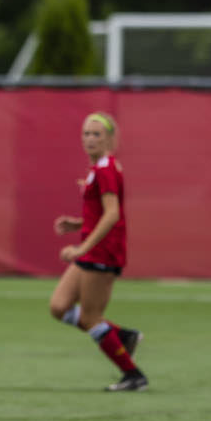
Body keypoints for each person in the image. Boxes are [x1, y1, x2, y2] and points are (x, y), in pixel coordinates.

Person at [49, 111, 146, 391]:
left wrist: (82, 246)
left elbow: (113, 214)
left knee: (90, 317)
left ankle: (133, 375)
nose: (90, 139)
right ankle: (122, 335)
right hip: (94, 250)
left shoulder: (105, 169)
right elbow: (101, 213)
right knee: (59, 307)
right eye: (86, 134)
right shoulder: (99, 168)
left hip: (103, 253)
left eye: (97, 134)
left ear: (110, 139)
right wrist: (76, 224)